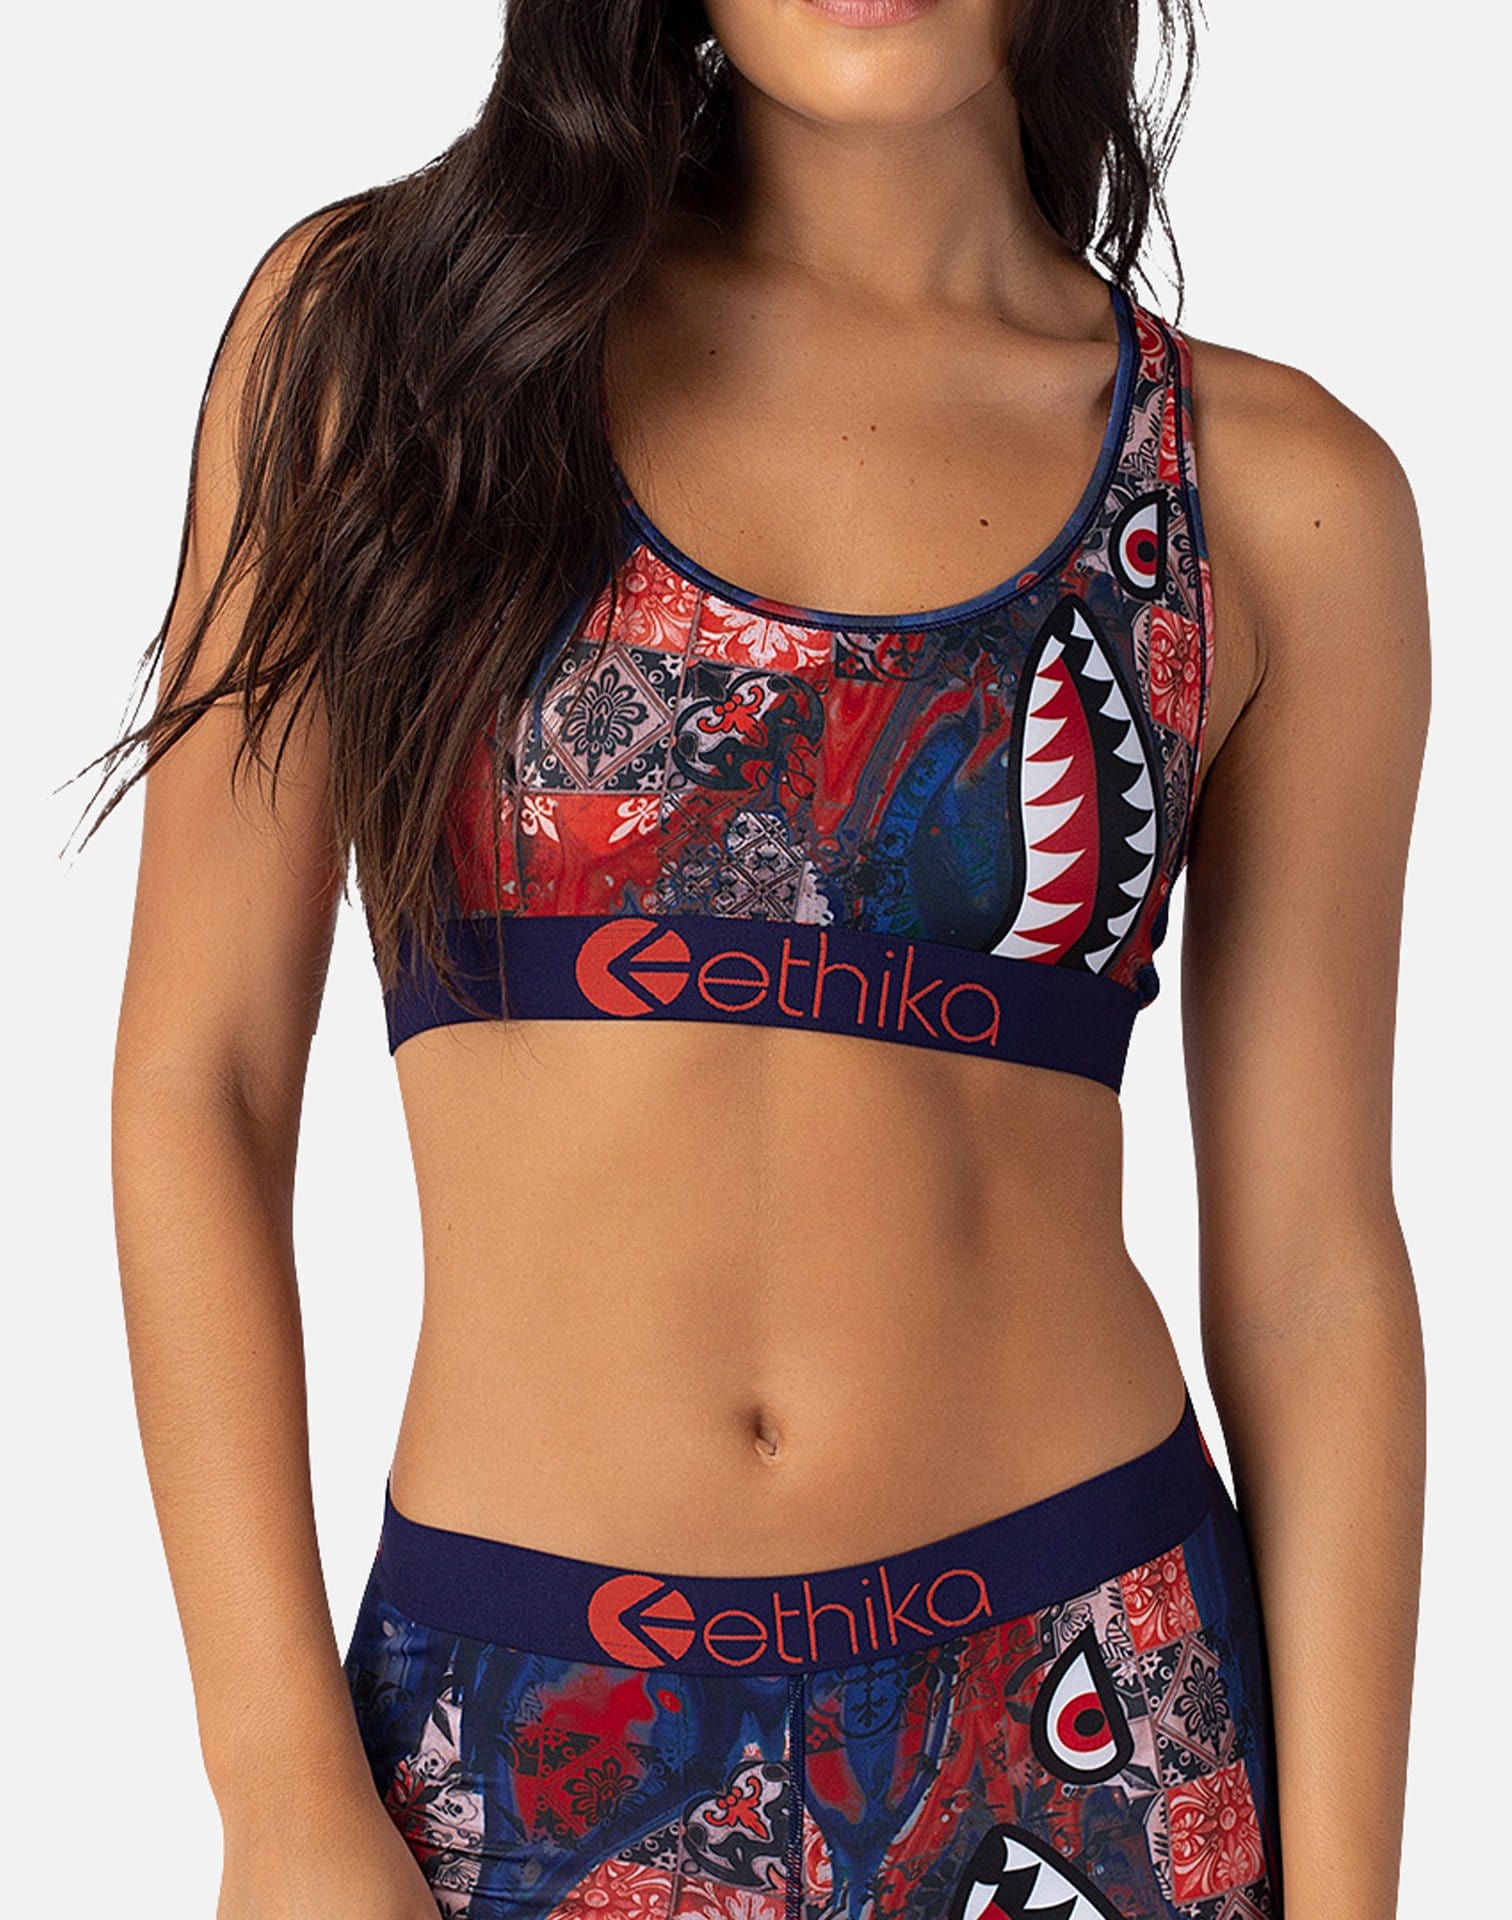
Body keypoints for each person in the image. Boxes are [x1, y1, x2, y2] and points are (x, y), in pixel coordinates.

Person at [87, 2, 1428, 1916]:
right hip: (504, 1745)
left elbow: (1314, 1278)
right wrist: (276, 1783)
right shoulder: (395, 347)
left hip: (1089, 1718)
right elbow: (199, 1082)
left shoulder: (1274, 496)